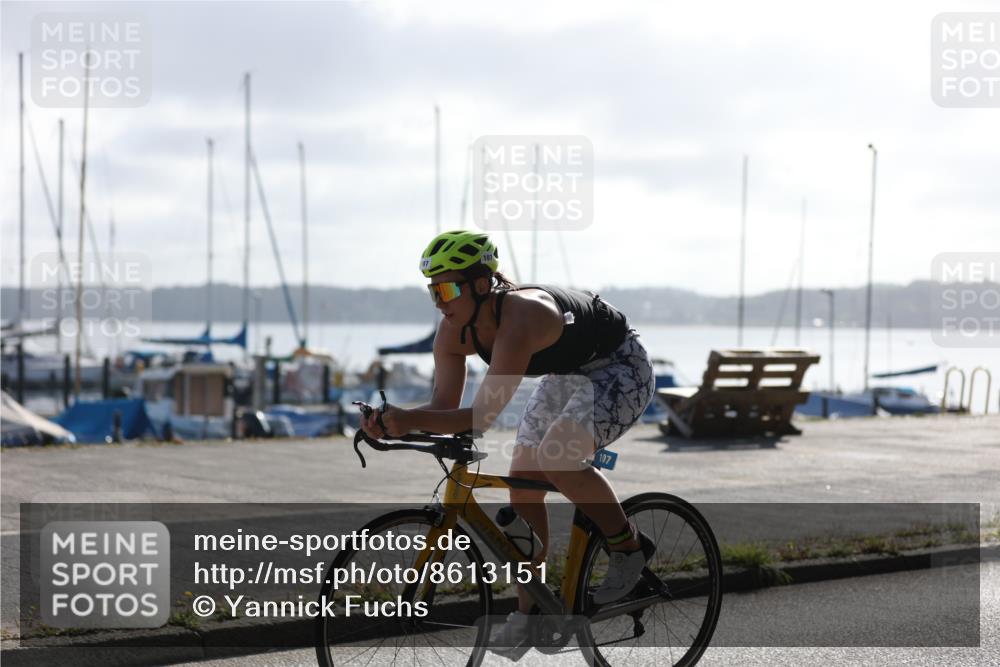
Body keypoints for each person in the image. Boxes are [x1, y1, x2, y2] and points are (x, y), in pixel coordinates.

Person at [360, 230, 656, 657]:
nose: (440, 301)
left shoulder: (522, 318)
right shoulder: (452, 332)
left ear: (482, 284)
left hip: (620, 366)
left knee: (558, 455)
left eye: (447, 288)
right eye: (432, 290)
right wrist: (392, 424)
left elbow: (481, 417)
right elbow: (444, 405)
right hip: (568, 372)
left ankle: (628, 545)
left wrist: (409, 421)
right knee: (521, 483)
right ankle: (530, 610)